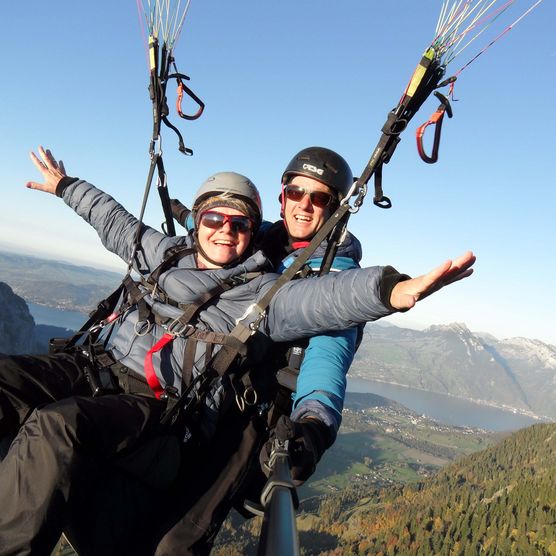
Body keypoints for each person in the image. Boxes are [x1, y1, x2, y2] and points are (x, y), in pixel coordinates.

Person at [0, 146, 475, 555]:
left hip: (200, 403)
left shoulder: (283, 287)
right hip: (100, 364)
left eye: (321, 199)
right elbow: (120, 223)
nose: (305, 206)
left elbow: (330, 319)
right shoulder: (209, 241)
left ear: (336, 210)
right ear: (281, 194)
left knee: (79, 449)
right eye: (297, 193)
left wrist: (391, 291)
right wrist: (67, 185)